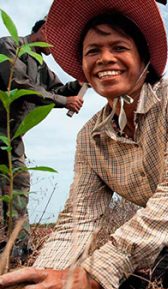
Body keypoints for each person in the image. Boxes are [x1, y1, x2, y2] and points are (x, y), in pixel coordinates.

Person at [0, 0, 168, 289]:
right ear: (85, 70)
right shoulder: (90, 138)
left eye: (118, 48)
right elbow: (78, 219)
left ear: (143, 59)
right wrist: (36, 286)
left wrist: (93, 273)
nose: (104, 58)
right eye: (93, 51)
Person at [0, 18, 84, 260]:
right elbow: (20, 84)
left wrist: (76, 86)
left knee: (19, 183)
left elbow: (55, 91)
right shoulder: (9, 47)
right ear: (43, 30)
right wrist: (63, 102)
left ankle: (18, 250)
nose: (58, 48)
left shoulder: (42, 67)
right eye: (56, 40)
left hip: (12, 139)